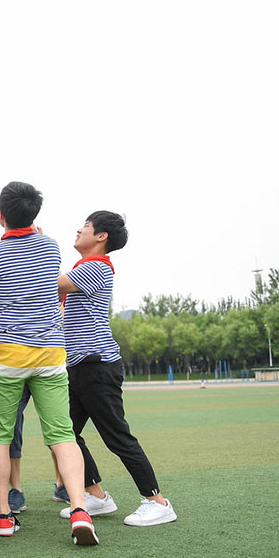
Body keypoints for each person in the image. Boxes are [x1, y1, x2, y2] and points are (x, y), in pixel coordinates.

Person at [0, 182, 99, 546]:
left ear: (0, 215)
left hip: (6, 355)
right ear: (34, 214)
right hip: (50, 353)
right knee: (62, 436)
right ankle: (79, 508)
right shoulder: (51, 246)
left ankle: (4, 517)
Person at [58, 211, 178, 526]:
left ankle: (157, 501)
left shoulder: (97, 266)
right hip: (80, 366)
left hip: (98, 366)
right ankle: (96, 495)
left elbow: (53, 282)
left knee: (117, 436)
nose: (78, 230)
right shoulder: (84, 268)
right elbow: (57, 296)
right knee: (64, 432)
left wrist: (32, 252)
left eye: (84, 227)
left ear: (101, 237)